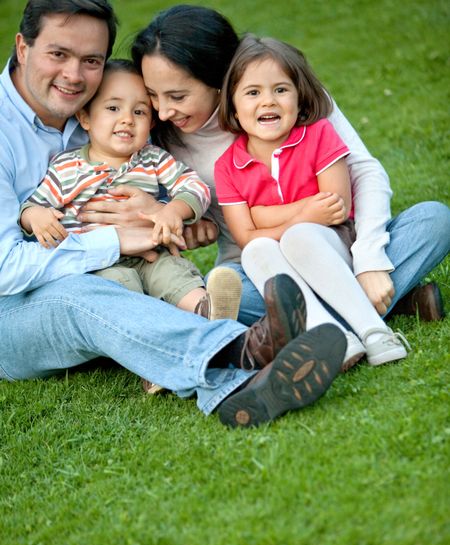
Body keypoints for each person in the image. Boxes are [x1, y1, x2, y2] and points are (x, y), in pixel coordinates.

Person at [0, 0, 347, 429]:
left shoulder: (106, 109)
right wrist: (112, 241)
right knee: (84, 295)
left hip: (140, 276)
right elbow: (5, 270)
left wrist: (179, 218)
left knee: (245, 284)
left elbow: (181, 188)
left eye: (91, 60)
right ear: (22, 46)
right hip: (19, 312)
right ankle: (242, 357)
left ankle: (330, 309)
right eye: (59, 54)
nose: (74, 75)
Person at [130, 4, 450, 331]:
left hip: (338, 248)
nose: (165, 111)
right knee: (222, 290)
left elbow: (363, 173)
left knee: (434, 220)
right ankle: (372, 311)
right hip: (259, 266)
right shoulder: (160, 136)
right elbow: (170, 204)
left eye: (178, 96)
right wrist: (181, 218)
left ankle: (320, 322)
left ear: (218, 79)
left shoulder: (286, 101)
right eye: (154, 96)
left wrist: (369, 260)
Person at [214, 35, 412, 367]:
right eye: (252, 92)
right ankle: (333, 334)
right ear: (233, 105)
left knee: (300, 236)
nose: (268, 101)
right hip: (280, 260)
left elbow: (334, 206)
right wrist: (304, 212)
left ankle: (375, 332)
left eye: (280, 89)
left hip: (333, 245)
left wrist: (264, 215)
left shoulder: (318, 133)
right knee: (256, 252)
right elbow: (245, 237)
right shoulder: (227, 167)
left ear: (300, 96)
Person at [20, 57, 242, 321]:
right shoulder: (68, 167)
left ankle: (208, 311)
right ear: (85, 117)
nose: (127, 119)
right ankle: (150, 325)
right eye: (113, 108)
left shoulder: (154, 159)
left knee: (173, 274)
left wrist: (173, 210)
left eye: (139, 112)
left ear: (151, 123)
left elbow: (195, 186)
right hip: (98, 263)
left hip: (153, 255)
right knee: (116, 287)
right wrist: (35, 217)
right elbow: (34, 204)